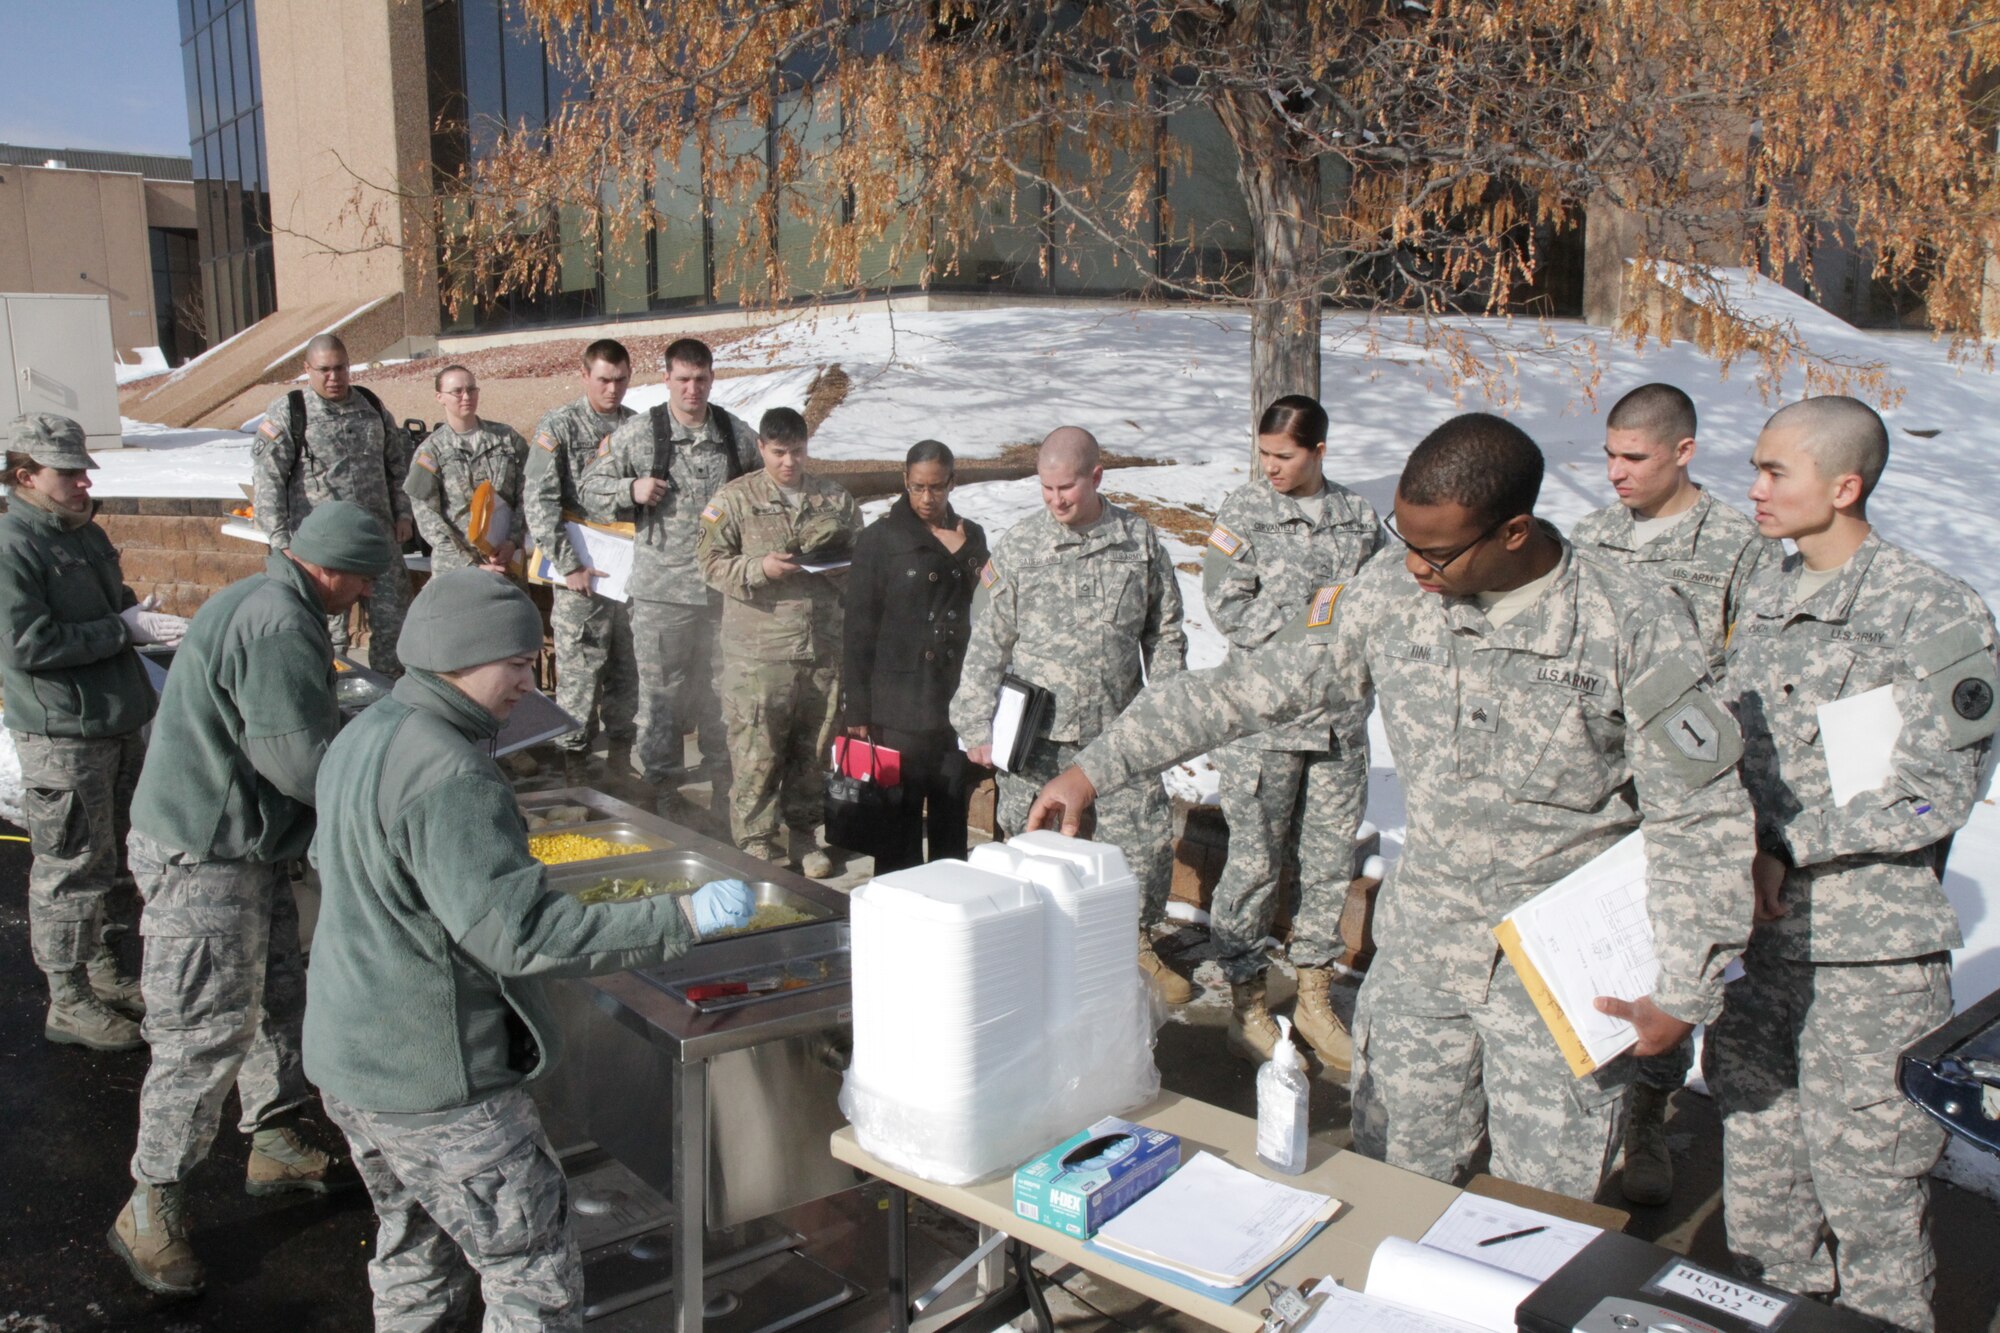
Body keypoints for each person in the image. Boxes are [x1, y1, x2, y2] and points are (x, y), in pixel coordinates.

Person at [1030, 414, 1755, 1201]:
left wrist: (1686, 986)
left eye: (1436, 552)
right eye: (1403, 542)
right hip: (1422, 963)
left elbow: (1703, 818)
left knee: (1540, 1213)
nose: (1413, 568)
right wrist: (1094, 770)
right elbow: (1247, 689)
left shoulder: (1631, 623)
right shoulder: (1392, 592)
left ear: (1515, 532)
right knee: (1388, 1187)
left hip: (1558, 977)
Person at [302, 570, 754, 1331]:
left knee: (417, 1256)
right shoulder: (451, 773)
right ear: (461, 656)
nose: (527, 678)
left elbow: (336, 863)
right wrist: (680, 914)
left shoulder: (368, 732)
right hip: (439, 1085)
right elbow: (521, 933)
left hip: (353, 1065)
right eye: (515, 661)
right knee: (531, 1276)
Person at [1707, 397, 1997, 1331]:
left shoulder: (1933, 608)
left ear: (1845, 485)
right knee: (1762, 1193)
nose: (1754, 489)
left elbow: (1934, 791)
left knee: (1871, 1202)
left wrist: (1787, 842)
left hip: (1866, 962)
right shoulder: (1761, 593)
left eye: (1774, 472)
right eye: (1754, 468)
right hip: (1759, 950)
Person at [109, 501, 397, 1298]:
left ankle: (272, 1136)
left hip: (248, 844)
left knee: (276, 996)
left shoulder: (273, 603)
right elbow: (301, 765)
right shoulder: (277, 625)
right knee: (203, 1030)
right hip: (205, 852)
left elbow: (290, 726)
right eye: (365, 576)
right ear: (332, 568)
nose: (366, 591)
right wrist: (385, 797)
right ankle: (151, 1201)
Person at [1570, 381, 1777, 1207]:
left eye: (1634, 457)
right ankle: (1583, 1113)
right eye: (1610, 455)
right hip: (1598, 787)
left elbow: (1750, 680)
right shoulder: (1589, 537)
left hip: (1683, 793)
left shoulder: (1736, 546)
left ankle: (1649, 1119)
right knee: (1592, 958)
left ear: (1683, 452)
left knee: (1663, 962)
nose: (1615, 472)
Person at [950, 426, 1191, 1002]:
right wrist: (974, 723)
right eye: (1047, 488)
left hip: (1120, 734)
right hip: (1038, 737)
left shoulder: (1138, 541)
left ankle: (1130, 946)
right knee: (1031, 849)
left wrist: (1169, 710)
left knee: (1143, 847)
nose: (1056, 500)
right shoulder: (1021, 547)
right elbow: (989, 640)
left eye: (1067, 488)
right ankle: (1034, 953)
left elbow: (1166, 634)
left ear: (1097, 477)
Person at [1202, 396, 1382, 1068]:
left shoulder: (1359, 519)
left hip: (1337, 725)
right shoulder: (1244, 512)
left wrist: (1350, 658)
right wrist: (1296, 651)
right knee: (1253, 863)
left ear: (1319, 452)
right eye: (1265, 453)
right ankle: (1247, 998)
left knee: (1329, 863)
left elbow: (1380, 598)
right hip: (1267, 720)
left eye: (1285, 455)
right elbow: (1225, 601)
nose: (1271, 466)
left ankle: (1313, 994)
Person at [0, 413, 184, 1051]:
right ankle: (67, 997)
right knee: (70, 865)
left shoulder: (83, 532)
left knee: (116, 859)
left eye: (84, 470)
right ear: (26, 476)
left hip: (115, 716)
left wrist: (138, 617)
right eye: (68, 472)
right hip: (63, 734)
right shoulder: (14, 545)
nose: (83, 481)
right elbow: (26, 644)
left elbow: (110, 604)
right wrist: (120, 631)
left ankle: (104, 970)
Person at [579, 337, 759, 803]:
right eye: (682, 379)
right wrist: (630, 489)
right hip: (662, 593)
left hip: (724, 593)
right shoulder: (641, 434)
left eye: (701, 379)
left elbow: (763, 489)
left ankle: (724, 788)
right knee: (662, 697)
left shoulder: (736, 434)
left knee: (724, 692)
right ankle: (661, 791)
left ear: (712, 379)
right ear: (666, 380)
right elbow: (588, 488)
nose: (692, 389)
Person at [697, 407, 861, 877]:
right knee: (757, 751)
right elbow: (709, 564)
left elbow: (861, 560)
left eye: (798, 451)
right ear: (762, 449)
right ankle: (757, 844)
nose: (790, 462)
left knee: (813, 749)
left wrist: (845, 571)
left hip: (821, 650)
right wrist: (759, 569)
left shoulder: (834, 499)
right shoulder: (734, 500)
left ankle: (806, 836)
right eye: (779, 452)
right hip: (758, 654)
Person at [841, 440, 990, 871]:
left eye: (938, 488)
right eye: (919, 488)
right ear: (905, 482)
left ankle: (950, 905)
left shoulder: (970, 534)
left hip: (952, 701)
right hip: (898, 705)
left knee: (949, 817)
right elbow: (858, 629)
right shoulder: (879, 539)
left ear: (952, 483)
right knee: (897, 822)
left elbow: (991, 602)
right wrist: (858, 707)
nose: (928, 499)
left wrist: (964, 552)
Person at [253, 333, 415, 675]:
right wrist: (282, 544)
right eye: (324, 370)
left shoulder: (370, 405)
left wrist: (403, 513)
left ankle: (389, 698)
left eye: (341, 368)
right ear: (307, 369)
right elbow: (268, 480)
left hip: (377, 541)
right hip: (322, 554)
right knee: (326, 637)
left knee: (394, 626)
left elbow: (396, 464)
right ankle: (330, 703)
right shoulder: (292, 411)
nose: (334, 377)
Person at [524, 339, 640, 774]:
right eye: (604, 380)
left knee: (627, 670)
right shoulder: (559, 426)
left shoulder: (637, 426)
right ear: (585, 376)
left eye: (621, 380)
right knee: (580, 673)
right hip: (581, 573)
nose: (613, 389)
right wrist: (568, 564)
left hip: (626, 572)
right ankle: (573, 765)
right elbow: (539, 502)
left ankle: (622, 760)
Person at [404, 364, 531, 576]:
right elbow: (427, 517)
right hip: (457, 571)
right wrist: (469, 565)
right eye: (457, 391)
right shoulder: (430, 452)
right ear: (440, 397)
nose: (466, 396)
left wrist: (513, 541)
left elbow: (528, 493)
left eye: (472, 389)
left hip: (505, 563)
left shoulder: (506, 438)